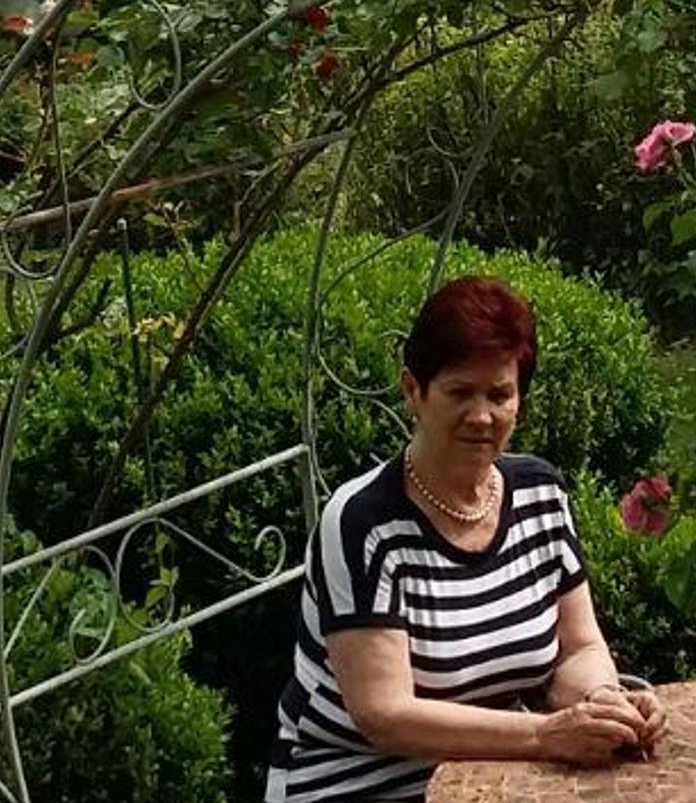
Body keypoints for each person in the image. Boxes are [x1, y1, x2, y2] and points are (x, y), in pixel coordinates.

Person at [266, 274, 669, 801]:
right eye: (459, 392)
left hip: (499, 778)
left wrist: (603, 704)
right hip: (357, 785)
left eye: (500, 394)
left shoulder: (540, 494)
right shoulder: (362, 522)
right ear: (414, 391)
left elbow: (579, 647)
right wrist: (546, 735)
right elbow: (384, 715)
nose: (482, 416)